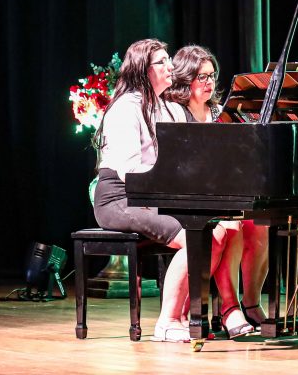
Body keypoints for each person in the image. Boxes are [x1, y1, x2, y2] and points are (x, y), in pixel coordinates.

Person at [92, 38, 232, 343]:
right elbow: (130, 171)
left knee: (216, 234)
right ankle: (166, 321)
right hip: (119, 197)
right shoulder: (126, 108)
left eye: (169, 60)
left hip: (154, 194)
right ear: (143, 69)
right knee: (189, 238)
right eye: (162, 62)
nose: (170, 66)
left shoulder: (169, 108)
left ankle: (182, 315)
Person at [164, 45, 269, 331]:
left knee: (259, 225)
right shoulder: (174, 111)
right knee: (231, 226)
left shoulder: (219, 112)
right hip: (185, 195)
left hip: (218, 192)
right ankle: (229, 308)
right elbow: (176, 163)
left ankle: (251, 302)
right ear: (186, 79)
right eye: (202, 77)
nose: (209, 83)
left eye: (212, 76)